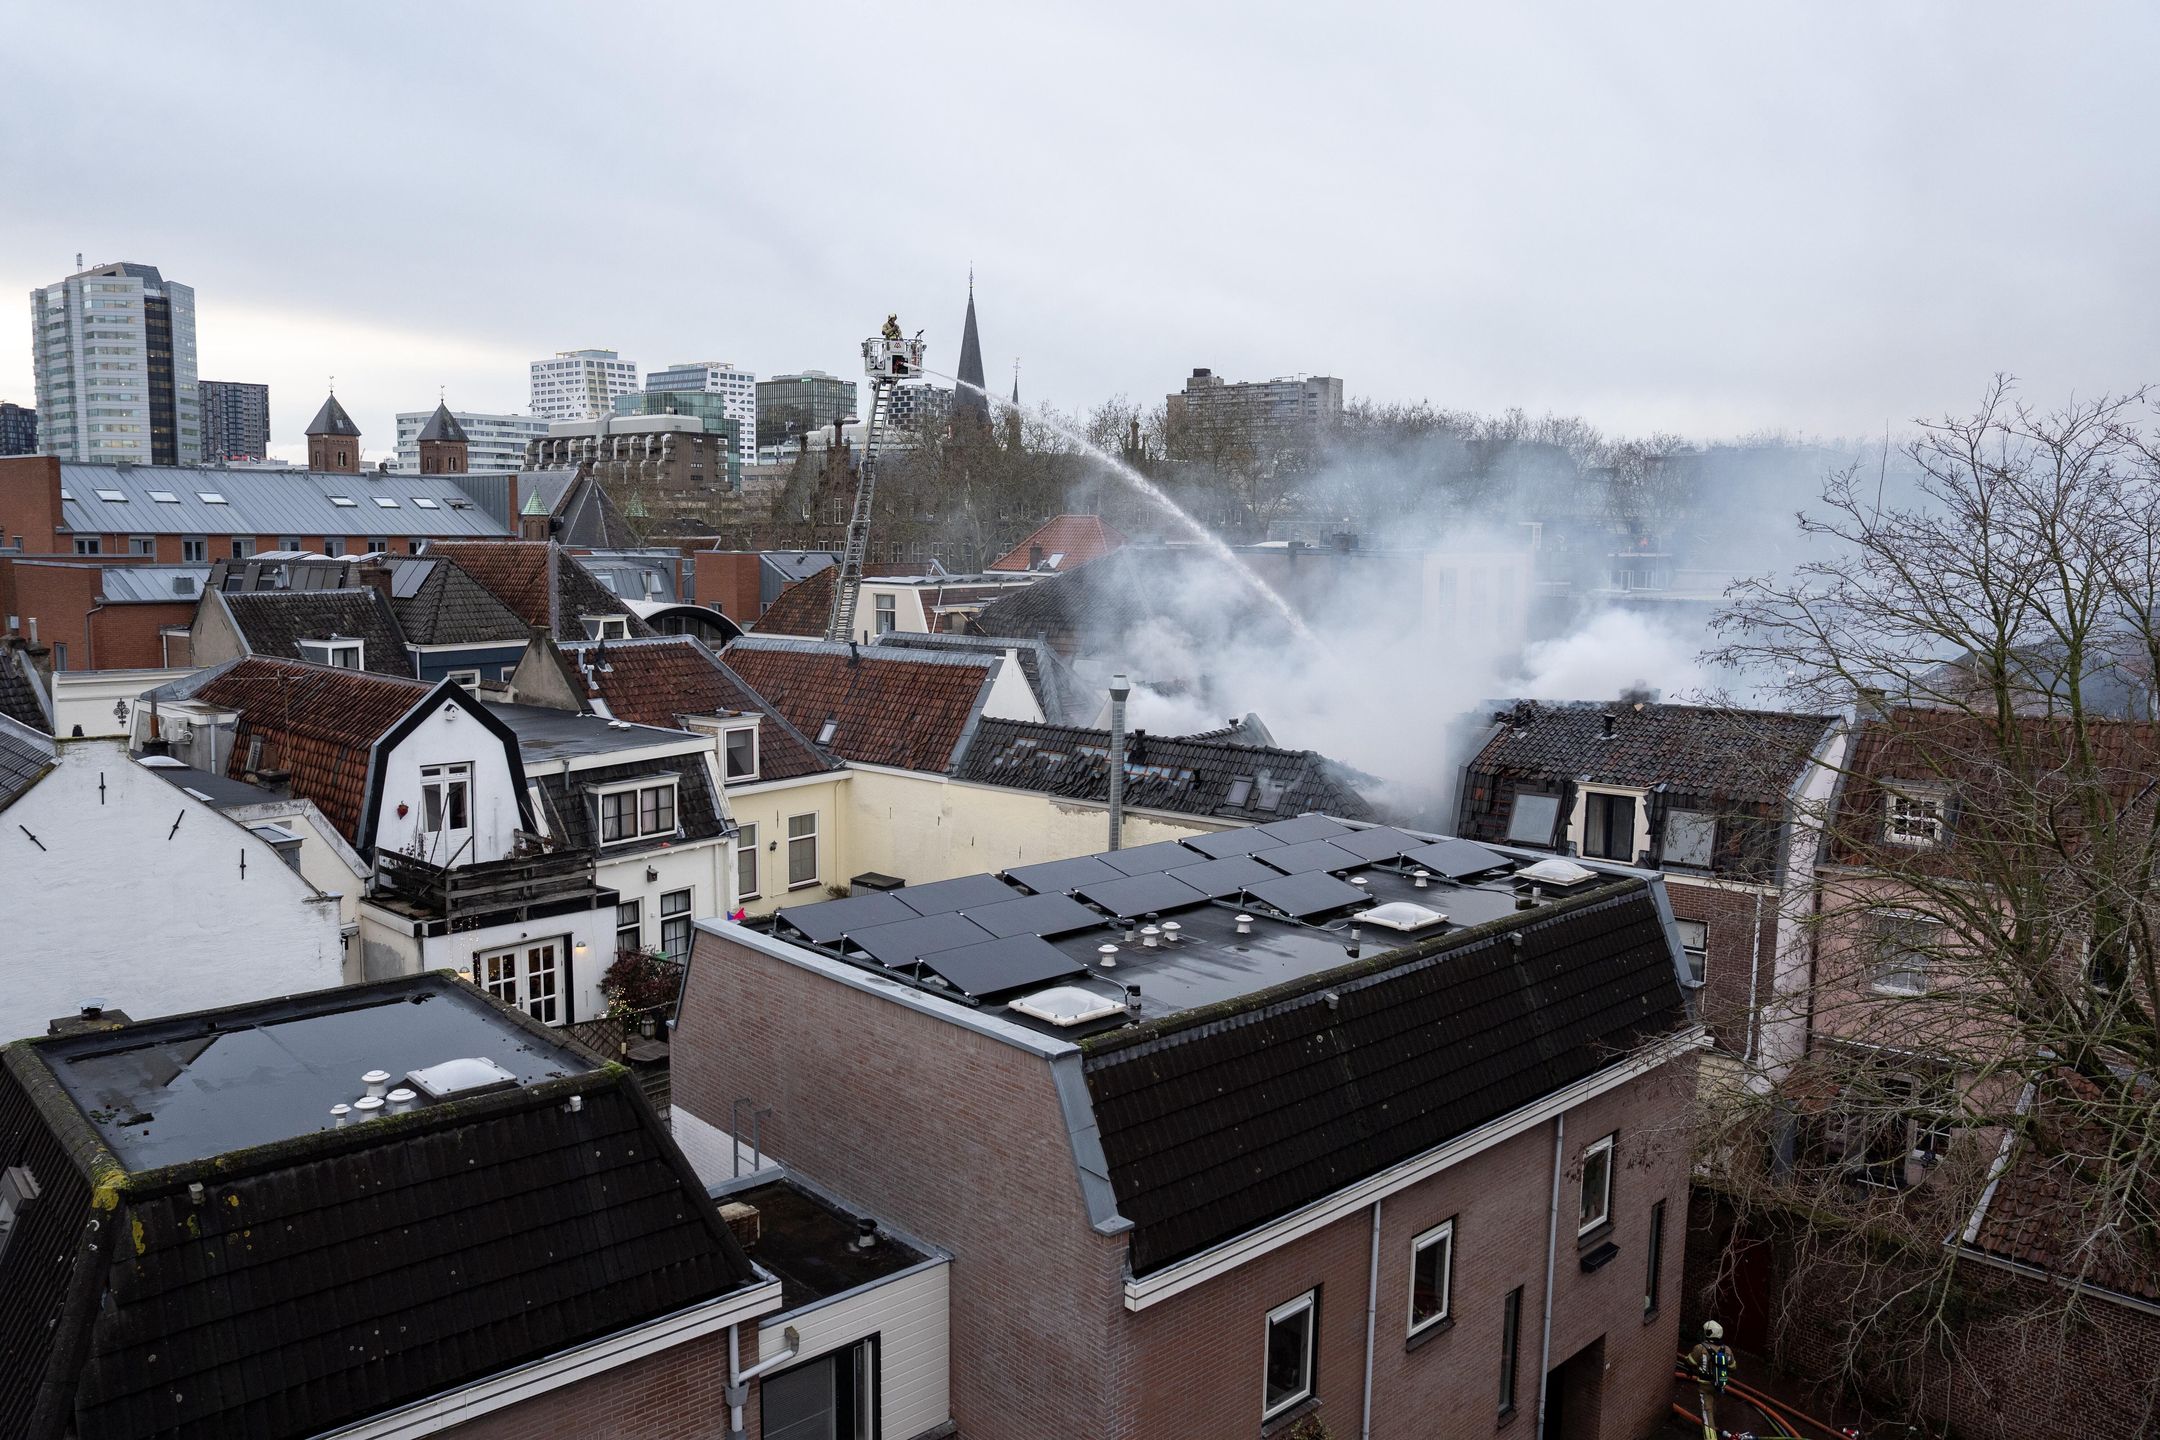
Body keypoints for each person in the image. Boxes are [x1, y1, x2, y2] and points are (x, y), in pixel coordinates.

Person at [1687, 1320, 1737, 1437]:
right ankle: (1711, 1419)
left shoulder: (1700, 1348)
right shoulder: (1727, 1350)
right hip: (1720, 1384)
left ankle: (1710, 1436)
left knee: (1707, 1411)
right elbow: (1733, 1367)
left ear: (1708, 1333)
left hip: (1705, 1386)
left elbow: (1690, 1362)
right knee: (1712, 1401)